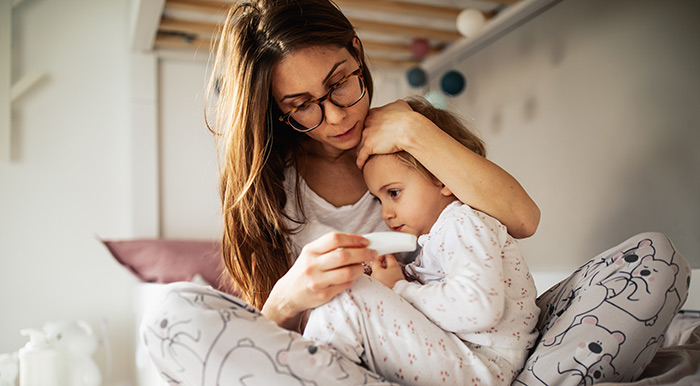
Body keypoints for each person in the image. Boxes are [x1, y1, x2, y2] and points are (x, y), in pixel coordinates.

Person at [140, 0, 690, 385]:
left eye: (340, 82)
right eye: (303, 105)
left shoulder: (407, 143)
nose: (335, 116)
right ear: (277, 113)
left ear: (357, 52)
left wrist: (415, 130)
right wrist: (288, 298)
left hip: (471, 346)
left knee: (655, 260)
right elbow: (273, 340)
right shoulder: (269, 192)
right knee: (171, 318)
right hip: (348, 363)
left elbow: (522, 218)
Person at [302, 97, 540, 385]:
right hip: (469, 356)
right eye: (378, 200)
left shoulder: (462, 223)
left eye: (394, 193)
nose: (386, 214)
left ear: (442, 178)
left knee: (348, 297)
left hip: (483, 364)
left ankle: (301, 376)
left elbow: (478, 306)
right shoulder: (439, 234)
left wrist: (399, 288)